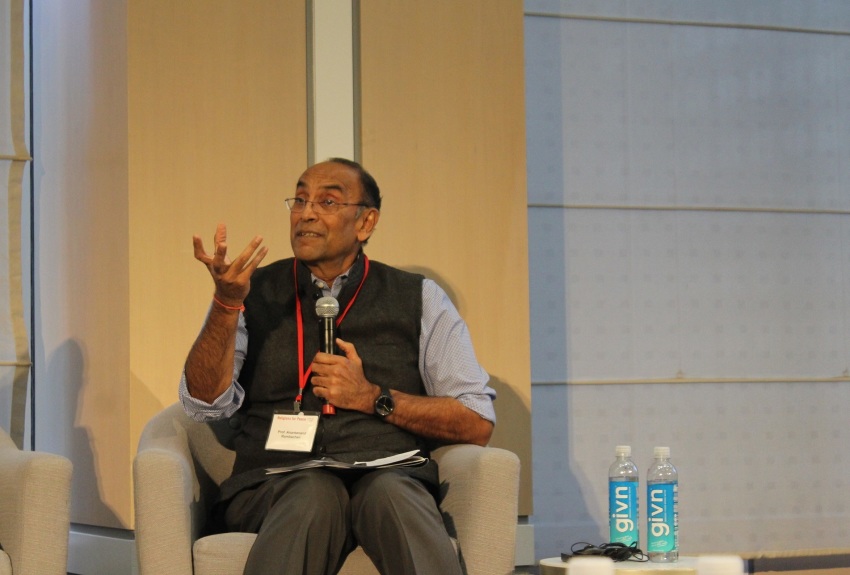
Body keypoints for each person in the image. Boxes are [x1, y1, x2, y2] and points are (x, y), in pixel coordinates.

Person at [179, 158, 497, 575]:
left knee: (393, 497)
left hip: (388, 474)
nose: (306, 212)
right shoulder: (248, 291)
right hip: (275, 479)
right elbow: (203, 405)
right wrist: (225, 304)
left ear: (366, 222)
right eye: (300, 199)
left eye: (327, 201)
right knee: (315, 493)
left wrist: (374, 398)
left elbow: (476, 420)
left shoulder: (420, 298)